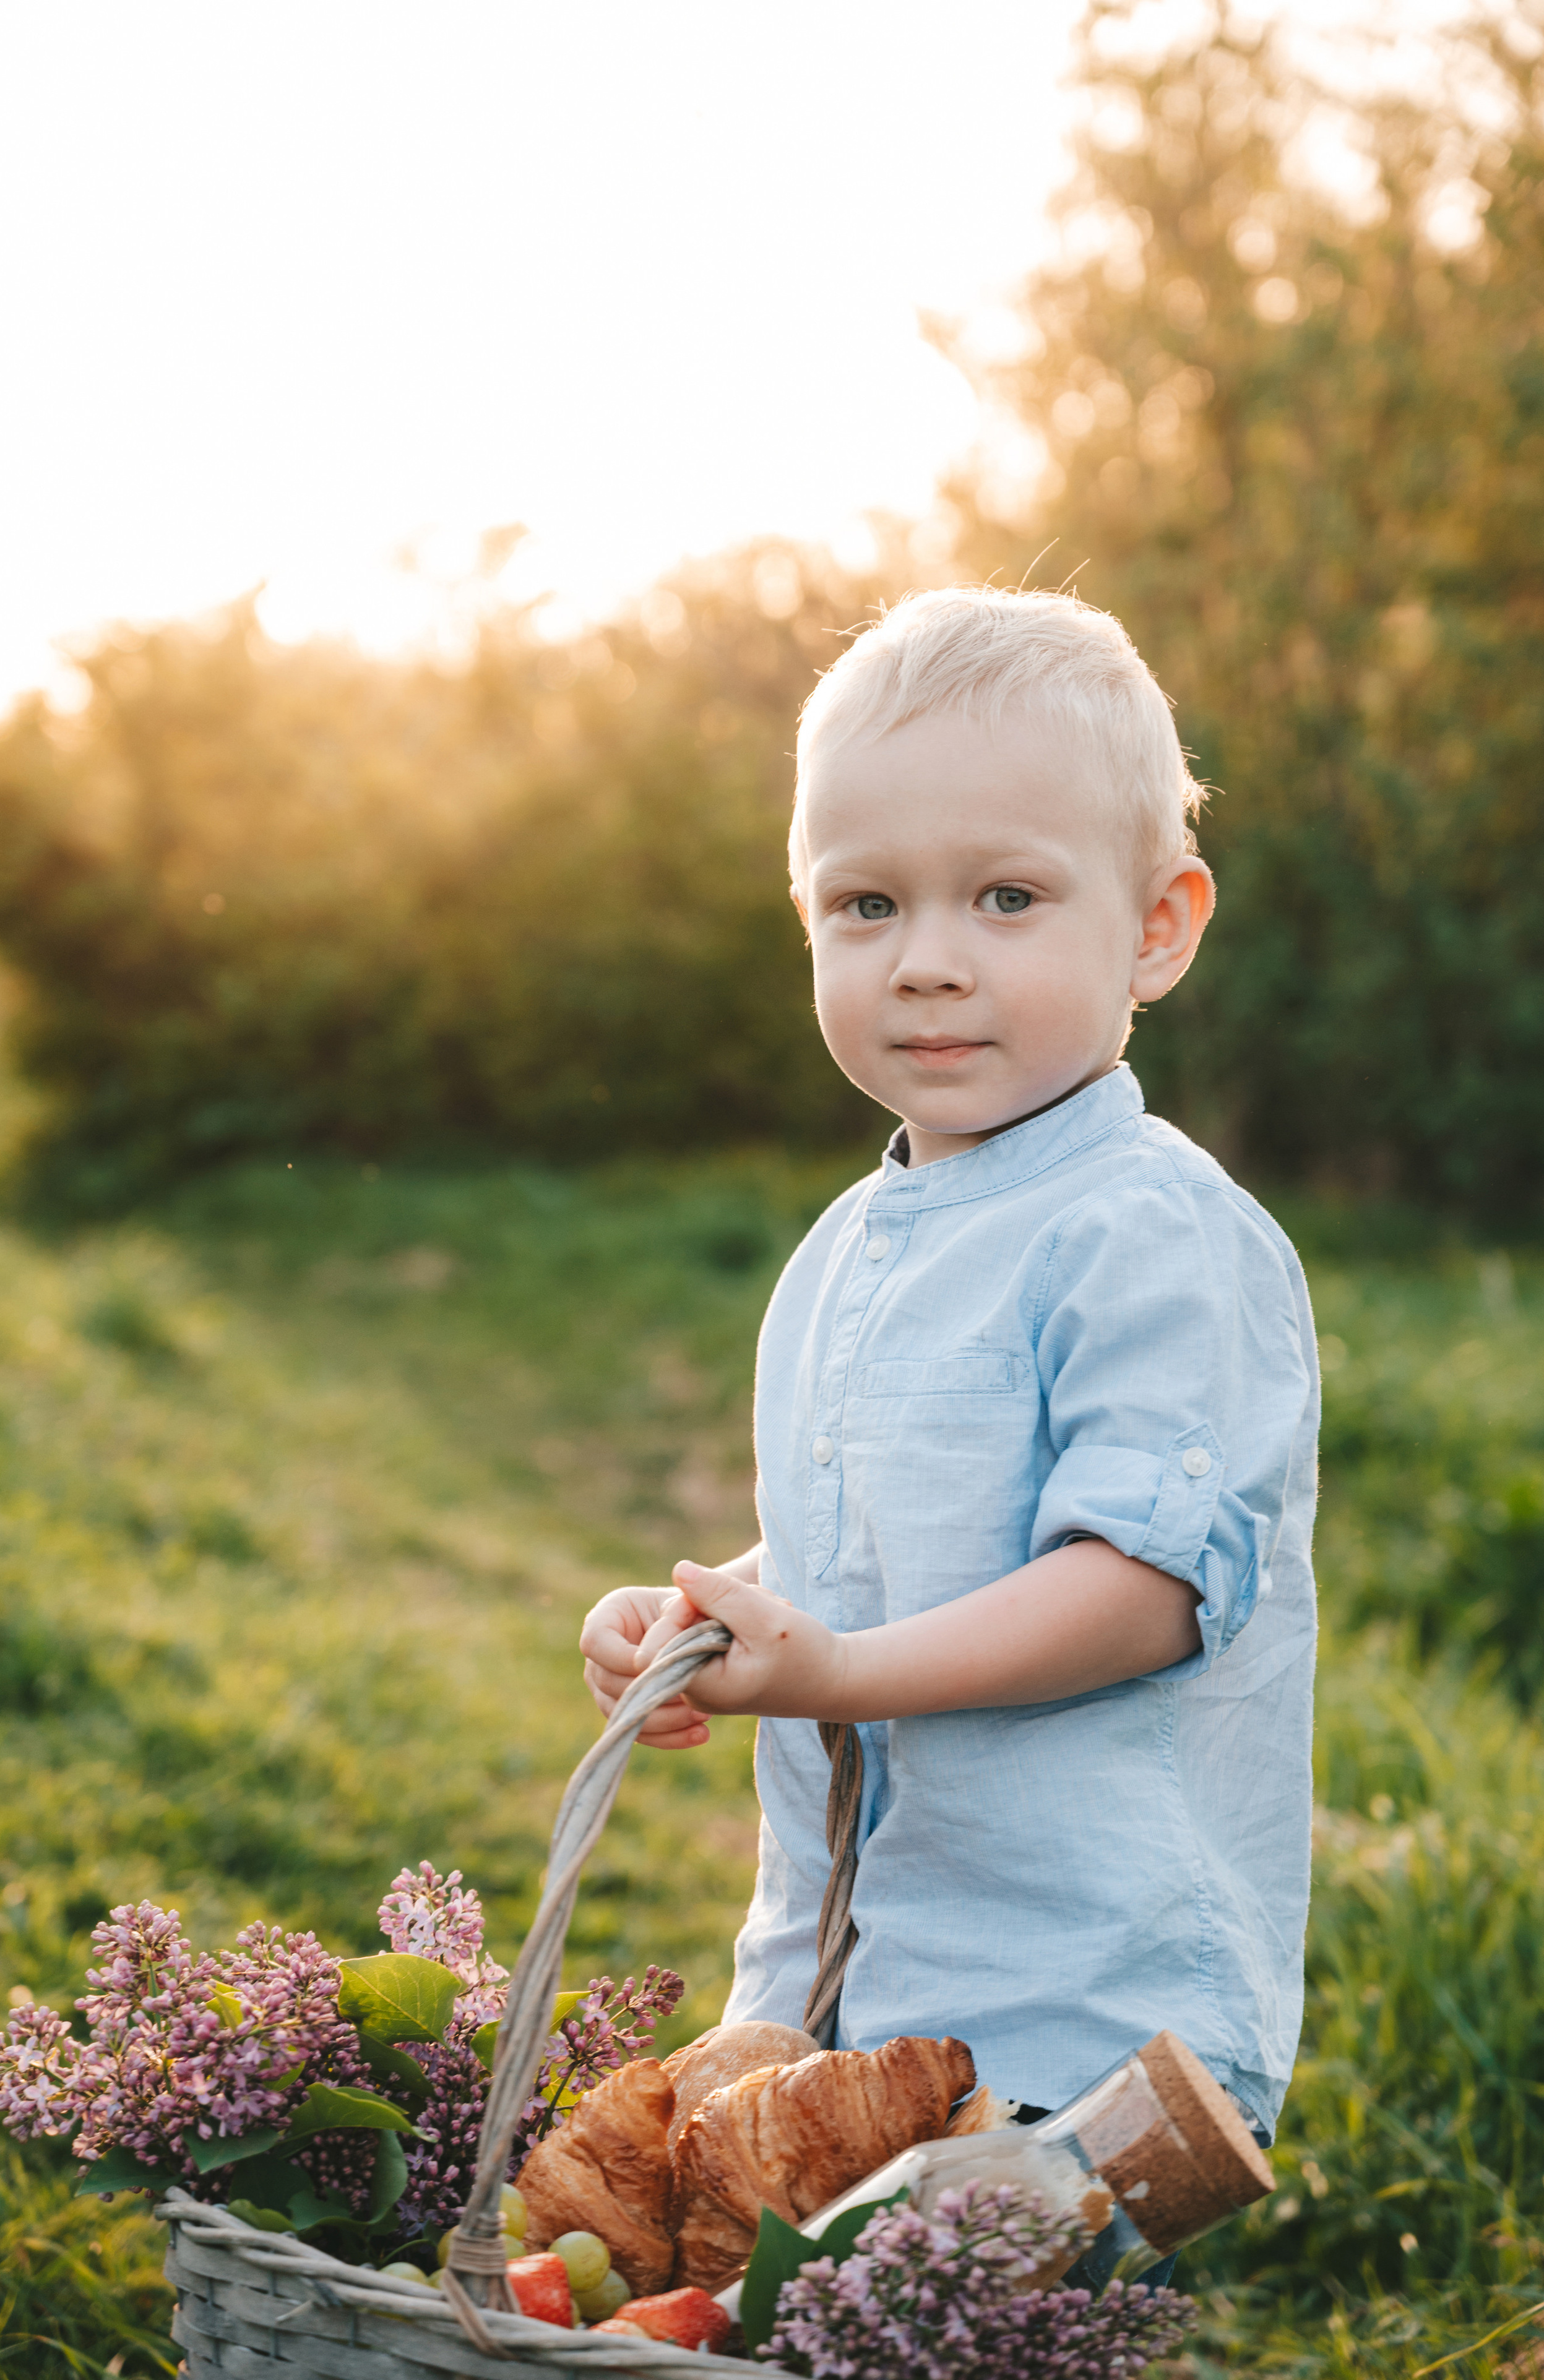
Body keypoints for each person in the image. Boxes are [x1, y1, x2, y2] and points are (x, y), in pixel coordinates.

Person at [580, 586, 1318, 2151]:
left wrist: (833, 1673)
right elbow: (889, 1546)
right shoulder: (845, 1248)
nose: (925, 961)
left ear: (1157, 930)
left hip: (1085, 2019)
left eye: (1002, 897)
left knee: (960, 2323)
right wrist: (716, 1615)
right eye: (865, 906)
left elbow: (1136, 1589)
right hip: (841, 1984)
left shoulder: (1155, 1233)